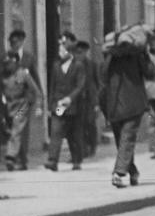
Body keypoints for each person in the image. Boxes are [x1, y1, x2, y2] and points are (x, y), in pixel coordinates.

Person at [100, 28, 155, 187]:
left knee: (124, 139)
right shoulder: (137, 55)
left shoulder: (111, 57)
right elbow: (150, 72)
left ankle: (119, 172)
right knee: (125, 140)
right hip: (130, 104)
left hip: (117, 105)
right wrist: (145, 54)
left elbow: (102, 76)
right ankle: (132, 172)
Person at [1, 29, 42, 170]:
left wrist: (39, 104)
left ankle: (11, 156)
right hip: (9, 103)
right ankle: (22, 160)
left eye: (18, 40)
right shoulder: (5, 64)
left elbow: (35, 82)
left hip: (23, 103)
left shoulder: (26, 64)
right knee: (16, 129)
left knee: (17, 128)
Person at [44, 35, 86, 171]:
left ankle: (76, 160)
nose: (60, 53)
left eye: (63, 50)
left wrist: (70, 98)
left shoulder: (78, 66)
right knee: (56, 131)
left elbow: (80, 86)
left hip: (73, 106)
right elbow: (52, 87)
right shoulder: (56, 66)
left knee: (74, 134)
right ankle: (52, 160)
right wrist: (50, 105)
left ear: (70, 52)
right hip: (58, 105)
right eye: (60, 50)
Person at [75, 40, 100, 158]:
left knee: (90, 123)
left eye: (83, 52)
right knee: (80, 125)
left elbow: (98, 83)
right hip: (78, 99)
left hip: (90, 100)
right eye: (78, 52)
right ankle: (83, 148)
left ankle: (92, 146)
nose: (80, 54)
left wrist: (97, 102)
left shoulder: (92, 65)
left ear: (86, 52)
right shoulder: (73, 65)